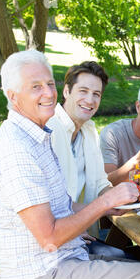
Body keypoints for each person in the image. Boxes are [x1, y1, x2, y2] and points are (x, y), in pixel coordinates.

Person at [0, 49, 140, 279]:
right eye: (36, 86)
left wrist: (110, 205)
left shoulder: (40, 137)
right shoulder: (17, 150)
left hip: (70, 252)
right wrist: (106, 202)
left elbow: (63, 203)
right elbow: (49, 237)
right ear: (13, 96)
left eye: (50, 84)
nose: (49, 93)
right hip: (44, 269)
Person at [47, 61, 128, 258]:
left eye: (96, 94)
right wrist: (74, 228)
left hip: (85, 233)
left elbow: (101, 182)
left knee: (132, 255)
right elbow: (46, 201)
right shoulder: (50, 130)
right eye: (83, 91)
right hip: (56, 240)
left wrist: (120, 201)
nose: (90, 100)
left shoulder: (89, 131)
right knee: (128, 259)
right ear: (67, 91)